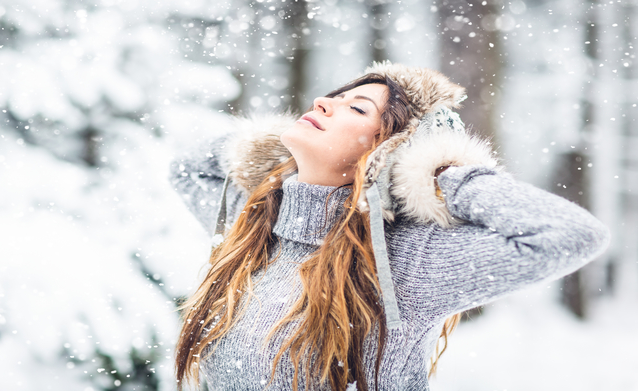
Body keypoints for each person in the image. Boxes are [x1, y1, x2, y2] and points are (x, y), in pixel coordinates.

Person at [170, 61, 609, 391]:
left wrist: (440, 174)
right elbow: (187, 169)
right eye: (333, 97)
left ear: (387, 151)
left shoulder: (410, 261)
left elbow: (569, 235)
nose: (321, 103)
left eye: (355, 109)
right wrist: (260, 151)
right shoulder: (258, 224)